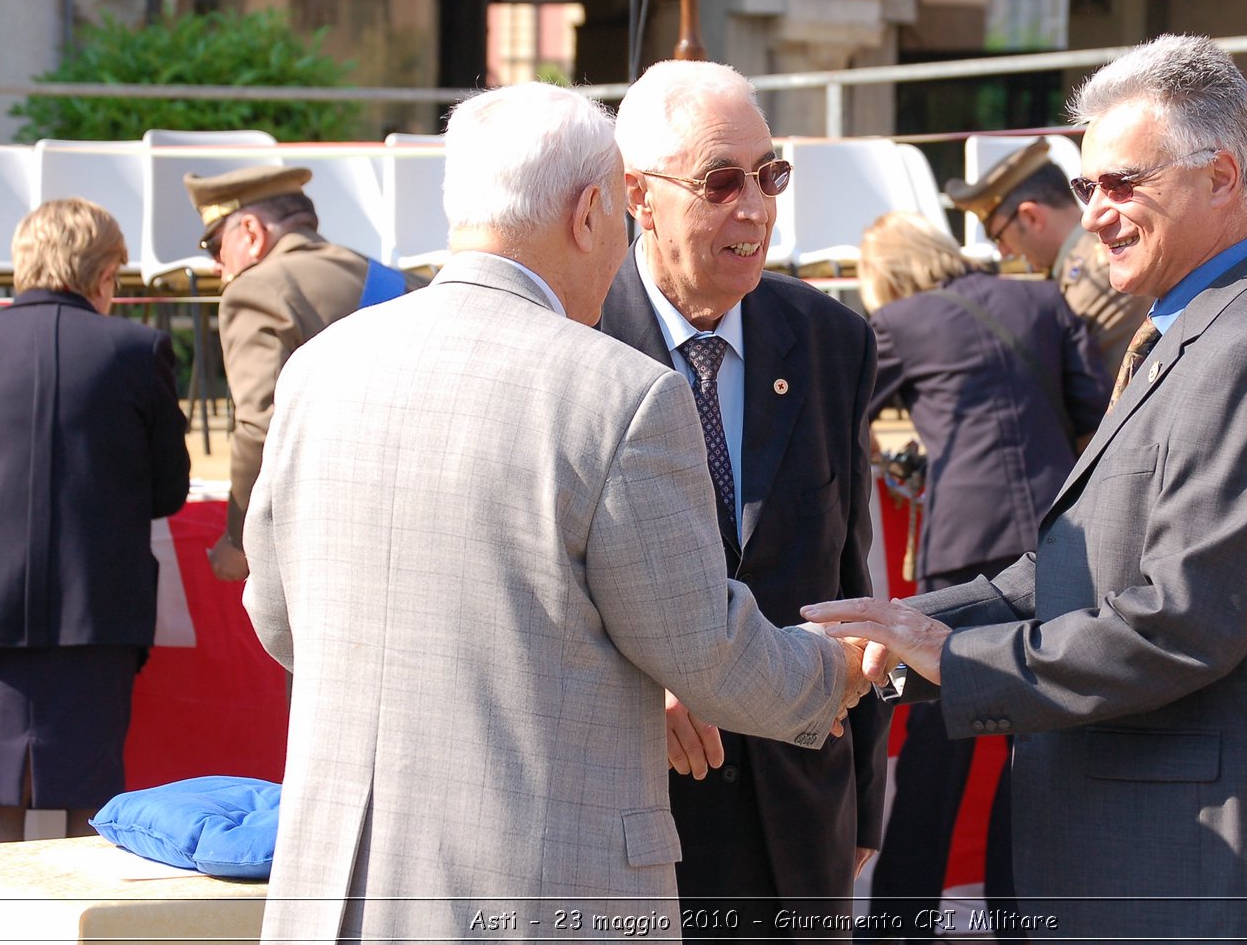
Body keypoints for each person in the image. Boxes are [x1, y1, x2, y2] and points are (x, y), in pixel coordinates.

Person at [242, 82, 871, 942]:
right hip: (537, 888)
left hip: (344, 886)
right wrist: (838, 674)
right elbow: (703, 648)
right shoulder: (615, 393)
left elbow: (281, 620)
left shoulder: (320, 366)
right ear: (592, 212)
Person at [806, 34, 1247, 942]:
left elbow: (1178, 624)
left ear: (1221, 178)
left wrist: (949, 659)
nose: (1096, 214)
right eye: (1086, 187)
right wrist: (889, 637)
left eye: (1123, 184)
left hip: (1196, 870)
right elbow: (1064, 575)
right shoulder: (1189, 334)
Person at [599, 58, 886, 936]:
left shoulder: (830, 338)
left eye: (770, 176)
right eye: (721, 182)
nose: (755, 207)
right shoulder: (574, 340)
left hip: (798, 819)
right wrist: (642, 692)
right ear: (636, 195)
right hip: (638, 818)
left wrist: (862, 804)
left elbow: (849, 573)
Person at [856, 210, 1107, 940]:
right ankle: (1018, 912)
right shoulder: (1039, 298)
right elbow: (1095, 411)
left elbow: (844, 413)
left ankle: (902, 919)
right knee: (1039, 735)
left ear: (889, 277)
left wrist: (886, 453)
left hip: (967, 547)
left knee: (938, 746)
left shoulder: (899, 321)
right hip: (1065, 542)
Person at [0, 198, 190, 844]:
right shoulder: (138, 348)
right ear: (103, 274)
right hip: (96, 610)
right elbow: (168, 491)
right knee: (89, 801)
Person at [182, 164, 424, 582]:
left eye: (215, 247)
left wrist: (239, 542)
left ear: (252, 234)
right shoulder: (405, 282)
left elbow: (260, 425)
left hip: (327, 536)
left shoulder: (254, 290)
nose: (216, 267)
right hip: (417, 518)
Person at [947, 137, 1150, 381]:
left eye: (998, 236)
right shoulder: (1086, 265)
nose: (1003, 252)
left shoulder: (1096, 276)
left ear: (1031, 217)